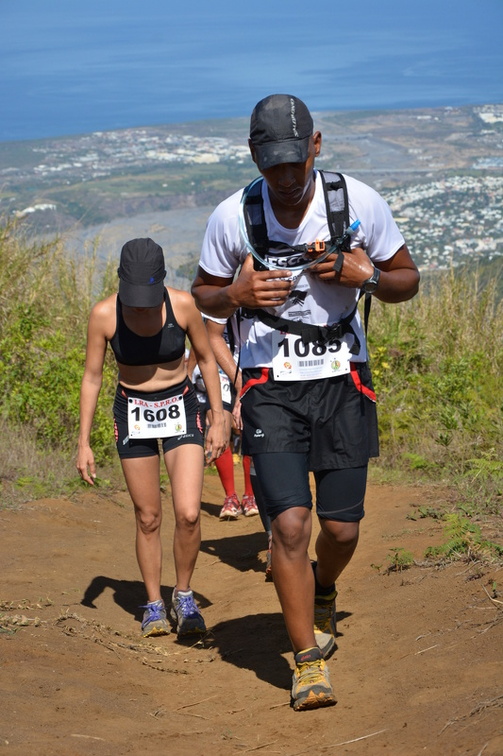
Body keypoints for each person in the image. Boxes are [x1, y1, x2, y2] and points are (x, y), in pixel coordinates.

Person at [191, 95, 420, 711]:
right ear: (254, 156)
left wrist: (366, 277)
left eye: (297, 161)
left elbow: (407, 279)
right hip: (269, 386)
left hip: (343, 381)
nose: (288, 177)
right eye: (274, 165)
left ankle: (322, 588)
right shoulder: (232, 216)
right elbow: (203, 295)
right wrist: (236, 294)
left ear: (316, 145)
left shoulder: (357, 201)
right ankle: (307, 661)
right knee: (289, 525)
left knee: (341, 529)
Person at [76, 237, 227, 639]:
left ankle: (183, 595)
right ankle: (154, 604)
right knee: (148, 517)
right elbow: (92, 377)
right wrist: (84, 442)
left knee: (189, 513)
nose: (141, 306)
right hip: (133, 413)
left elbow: (206, 358)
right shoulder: (104, 314)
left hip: (181, 408)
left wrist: (217, 416)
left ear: (161, 280)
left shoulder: (183, 306)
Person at [188, 320, 260, 521]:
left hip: (248, 371)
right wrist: (188, 374)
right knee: (220, 429)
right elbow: (197, 343)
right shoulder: (210, 312)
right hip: (219, 375)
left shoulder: (251, 310)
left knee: (249, 431)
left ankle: (250, 496)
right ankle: (230, 497)